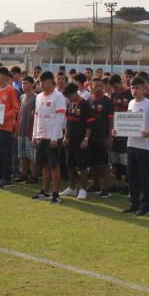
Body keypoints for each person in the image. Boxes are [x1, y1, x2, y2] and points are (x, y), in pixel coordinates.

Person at [115, 75, 149, 216]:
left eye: (137, 88)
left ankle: (147, 207)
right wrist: (117, 130)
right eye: (132, 87)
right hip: (131, 145)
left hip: (145, 146)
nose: (134, 90)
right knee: (132, 176)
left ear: (144, 89)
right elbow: (127, 124)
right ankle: (134, 203)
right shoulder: (130, 103)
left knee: (146, 178)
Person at [31, 71, 66, 204]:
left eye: (43, 81)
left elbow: (60, 118)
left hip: (54, 137)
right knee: (44, 164)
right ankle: (44, 191)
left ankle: (56, 194)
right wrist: (35, 135)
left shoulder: (58, 97)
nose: (41, 84)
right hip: (41, 135)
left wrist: (54, 137)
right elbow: (37, 116)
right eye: (40, 82)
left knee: (54, 165)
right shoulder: (38, 97)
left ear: (51, 81)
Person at [60, 83, 93, 200]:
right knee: (71, 165)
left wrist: (86, 139)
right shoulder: (70, 104)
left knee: (82, 166)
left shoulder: (85, 105)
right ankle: (71, 188)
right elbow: (68, 123)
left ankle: (83, 189)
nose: (69, 98)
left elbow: (89, 125)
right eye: (67, 97)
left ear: (75, 92)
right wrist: (65, 137)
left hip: (81, 141)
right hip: (70, 141)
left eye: (70, 96)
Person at [0, 67, 20, 188]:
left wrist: (4, 116)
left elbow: (16, 108)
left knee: (6, 152)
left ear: (5, 76)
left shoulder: (11, 90)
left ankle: (7, 177)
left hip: (6, 127)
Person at [87, 77, 115, 197]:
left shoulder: (107, 101)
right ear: (91, 87)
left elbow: (111, 120)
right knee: (93, 164)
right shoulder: (89, 100)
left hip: (102, 137)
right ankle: (95, 185)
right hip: (91, 137)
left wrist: (110, 137)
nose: (98, 88)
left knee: (104, 165)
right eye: (96, 86)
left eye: (100, 86)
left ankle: (105, 190)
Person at [15, 76, 37, 184]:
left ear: (32, 84)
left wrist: (33, 132)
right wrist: (17, 129)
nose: (24, 85)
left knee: (31, 155)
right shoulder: (22, 96)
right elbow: (19, 114)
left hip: (30, 131)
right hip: (21, 130)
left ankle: (33, 175)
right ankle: (24, 174)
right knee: (22, 154)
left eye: (26, 83)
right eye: (23, 83)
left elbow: (36, 116)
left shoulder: (36, 98)